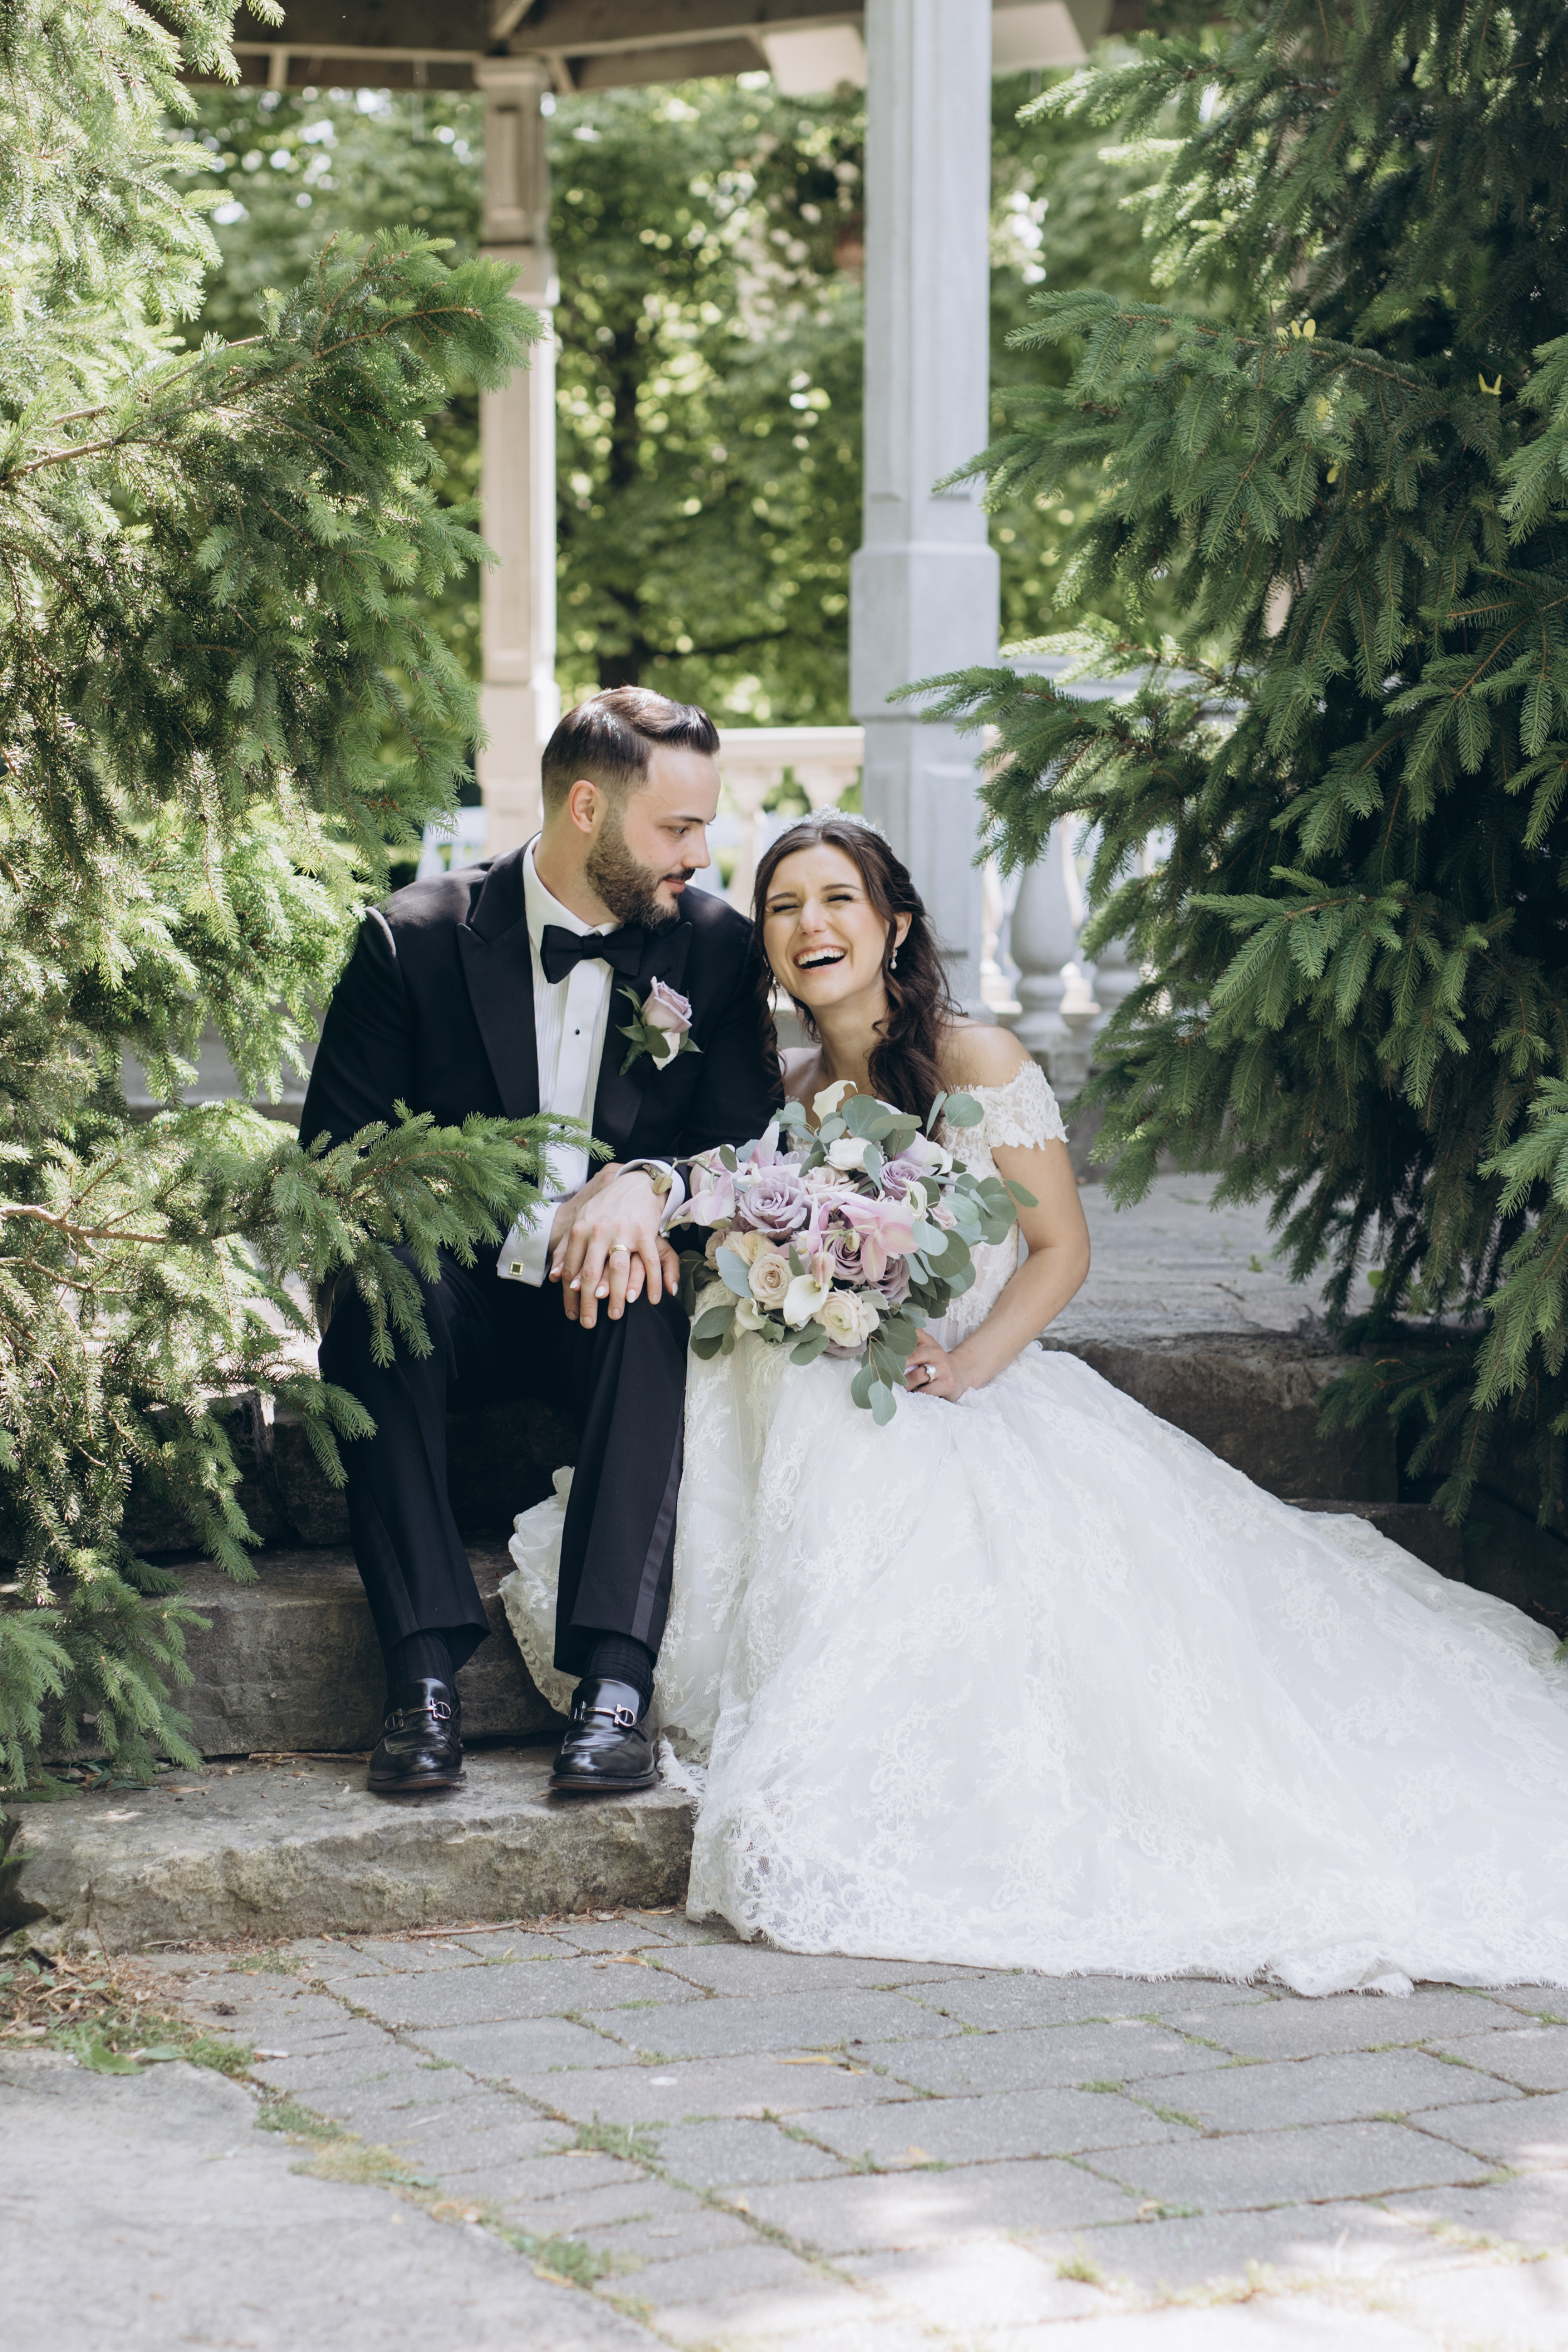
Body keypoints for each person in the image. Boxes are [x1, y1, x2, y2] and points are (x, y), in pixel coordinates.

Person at [506, 812, 1568, 1994]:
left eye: (838, 899)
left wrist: (969, 1367)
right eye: (785, 908)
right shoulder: (788, 1090)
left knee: (868, 1445)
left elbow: (1062, 1249)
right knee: (786, 1398)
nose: (812, 926)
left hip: (969, 1376)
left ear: (894, 925)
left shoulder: (979, 1060)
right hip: (833, 1370)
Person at [300, 688, 778, 1799]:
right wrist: (521, 1219)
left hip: (605, 1303)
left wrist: (651, 1187)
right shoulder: (410, 939)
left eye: (705, 827)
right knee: (376, 1295)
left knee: (652, 1294)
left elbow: (750, 1147)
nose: (700, 856)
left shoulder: (716, 950)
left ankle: (614, 1684)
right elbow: (339, 1168)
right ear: (585, 809)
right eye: (678, 828)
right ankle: (421, 1679)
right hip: (454, 1294)